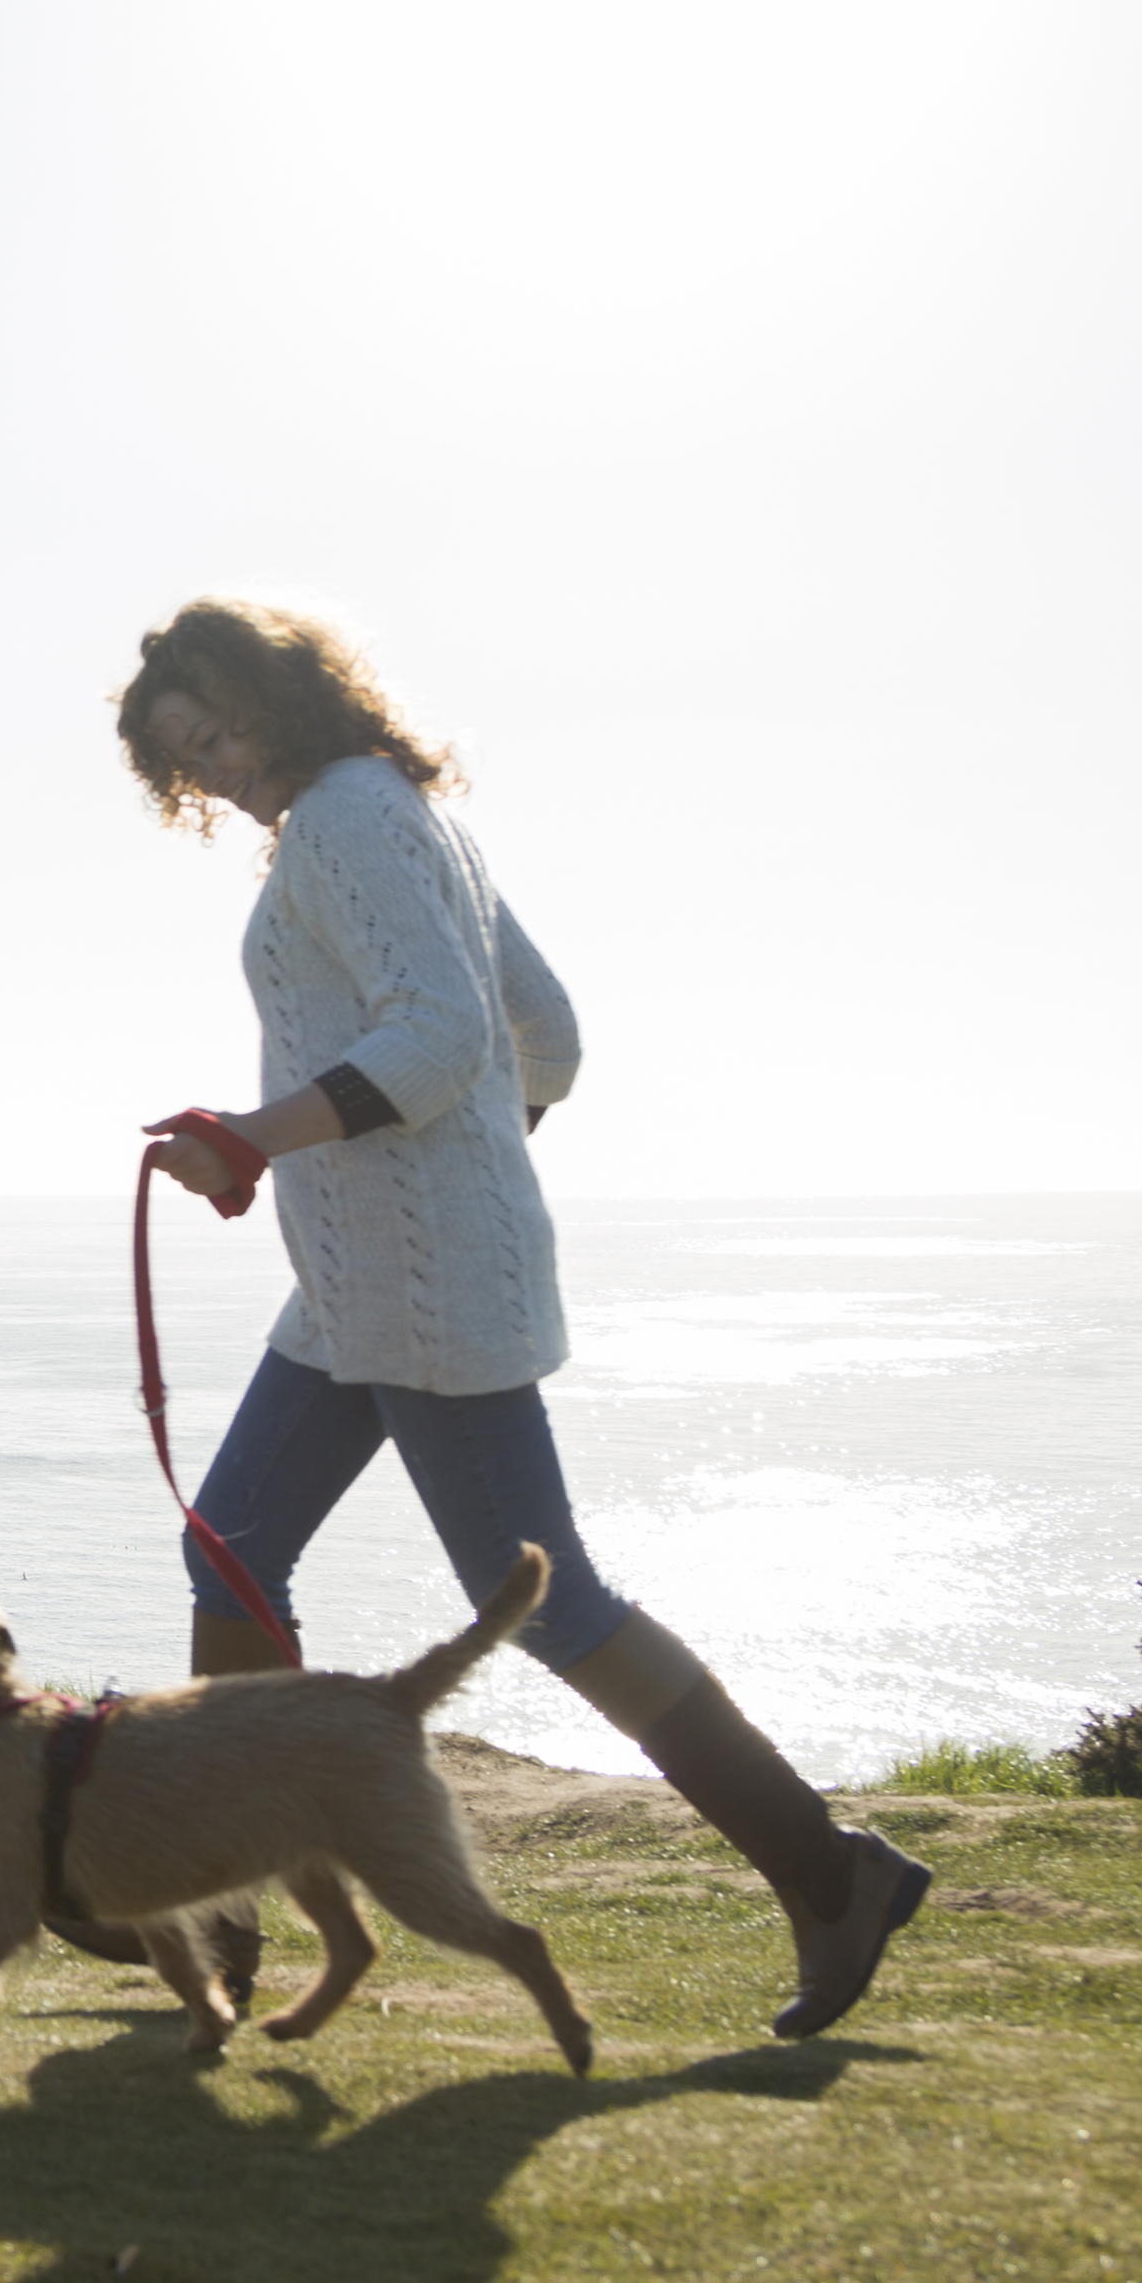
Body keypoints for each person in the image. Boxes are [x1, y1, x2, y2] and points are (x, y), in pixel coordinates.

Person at [113, 597, 925, 2040]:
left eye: (220, 728)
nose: (217, 768)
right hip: (363, 1291)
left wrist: (255, 1140)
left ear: (283, 697)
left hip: (418, 1302)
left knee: (557, 1604)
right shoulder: (403, 816)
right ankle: (223, 1919)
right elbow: (541, 1036)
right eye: (185, 757)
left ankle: (829, 1873)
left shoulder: (346, 822)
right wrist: (457, 1171)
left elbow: (440, 1039)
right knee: (231, 1543)